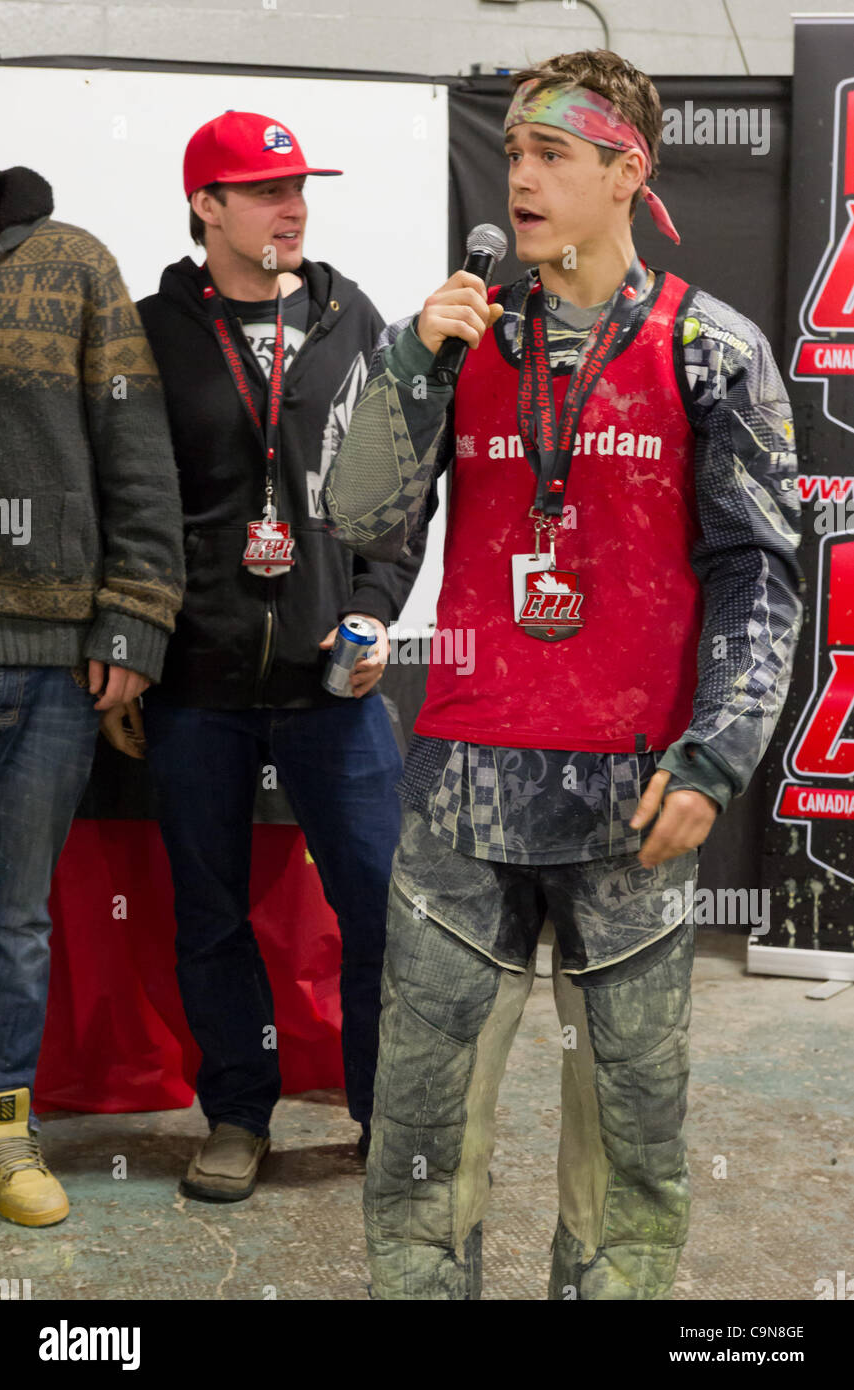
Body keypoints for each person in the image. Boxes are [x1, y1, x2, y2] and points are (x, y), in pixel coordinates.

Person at [323, 49, 804, 1299]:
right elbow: (357, 513)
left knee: (630, 1139)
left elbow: (760, 575)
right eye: (515, 152)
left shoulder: (711, 349)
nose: (520, 176)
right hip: (460, 801)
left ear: (625, 171)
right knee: (422, 1134)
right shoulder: (457, 334)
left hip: (632, 806)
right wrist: (411, 367)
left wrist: (717, 755)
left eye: (552, 155)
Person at [113, 111, 424, 1202]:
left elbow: (396, 489)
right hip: (195, 685)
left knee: (383, 908)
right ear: (207, 206)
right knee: (209, 914)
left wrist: (381, 607)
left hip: (333, 684)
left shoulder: (355, 321)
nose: (292, 207)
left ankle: (388, 1116)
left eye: (298, 186)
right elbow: (128, 503)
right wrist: (133, 643)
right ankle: (237, 1115)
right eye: (263, 189)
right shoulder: (147, 330)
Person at [0, 165, 184, 1227]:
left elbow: (137, 456)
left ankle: (1, 1129)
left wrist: (134, 618)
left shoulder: (74, 265)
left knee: (15, 918)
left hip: (48, 660)